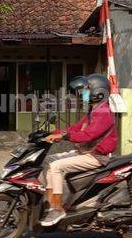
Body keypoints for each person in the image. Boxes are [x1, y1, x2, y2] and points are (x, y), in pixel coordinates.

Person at [39, 74, 118, 227]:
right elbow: (74, 128)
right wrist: (53, 133)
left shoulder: (104, 113)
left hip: (96, 156)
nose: (82, 93)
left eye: (86, 89)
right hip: (86, 152)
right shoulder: (93, 112)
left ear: (98, 91)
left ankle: (57, 208)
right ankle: (49, 202)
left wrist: (64, 137)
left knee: (56, 166)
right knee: (49, 160)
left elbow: (87, 135)